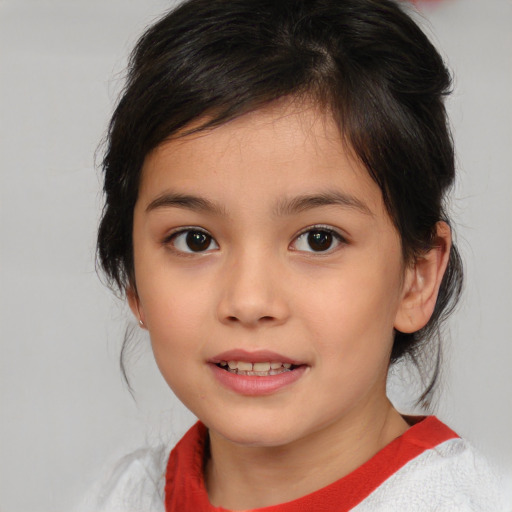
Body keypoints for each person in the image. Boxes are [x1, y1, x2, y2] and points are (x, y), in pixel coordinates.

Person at [87, 0, 506, 510]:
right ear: (132, 278)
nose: (248, 300)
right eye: (195, 239)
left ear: (416, 276)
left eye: (318, 239)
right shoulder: (123, 495)